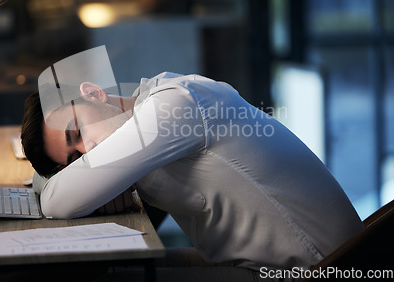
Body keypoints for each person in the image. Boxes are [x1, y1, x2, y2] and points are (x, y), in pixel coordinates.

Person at [21, 71, 364, 277]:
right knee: (111, 271)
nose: (88, 155)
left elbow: (57, 200)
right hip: (263, 263)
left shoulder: (172, 107)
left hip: (314, 270)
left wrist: (63, 185)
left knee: (110, 278)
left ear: (93, 93)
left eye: (76, 132)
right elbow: (64, 190)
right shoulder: (144, 117)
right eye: (74, 160)